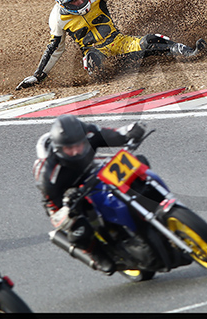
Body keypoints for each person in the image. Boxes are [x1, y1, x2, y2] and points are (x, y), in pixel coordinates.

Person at [16, 0, 207, 90]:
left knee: (149, 40)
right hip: (94, 51)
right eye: (74, 1)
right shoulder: (57, 18)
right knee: (94, 64)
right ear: (62, 3)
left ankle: (189, 51)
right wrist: (38, 75)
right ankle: (119, 67)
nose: (81, 1)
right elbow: (55, 49)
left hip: (118, 41)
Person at [32, 114, 146, 273]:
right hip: (69, 191)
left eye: (78, 145)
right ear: (58, 149)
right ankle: (96, 254)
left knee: (138, 163)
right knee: (78, 229)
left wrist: (131, 131)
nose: (75, 151)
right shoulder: (47, 175)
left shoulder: (89, 134)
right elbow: (53, 211)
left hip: (93, 170)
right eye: (68, 148)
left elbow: (115, 134)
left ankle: (155, 205)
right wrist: (67, 204)